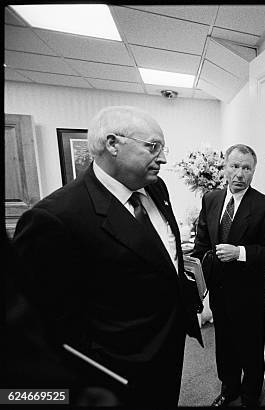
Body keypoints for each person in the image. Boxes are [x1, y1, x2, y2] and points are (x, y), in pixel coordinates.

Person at [11, 106, 203, 407]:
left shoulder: (155, 187)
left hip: (169, 347)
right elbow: (48, 324)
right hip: (115, 371)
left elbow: (162, 259)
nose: (164, 158)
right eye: (153, 147)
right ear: (113, 144)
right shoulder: (55, 218)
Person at [191, 144, 265, 407]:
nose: (240, 173)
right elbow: (202, 242)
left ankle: (251, 397)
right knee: (225, 347)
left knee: (251, 350)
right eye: (234, 166)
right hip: (219, 291)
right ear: (225, 167)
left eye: (246, 168)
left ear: (254, 171)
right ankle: (228, 389)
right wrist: (197, 279)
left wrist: (240, 252)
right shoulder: (211, 199)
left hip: (249, 294)